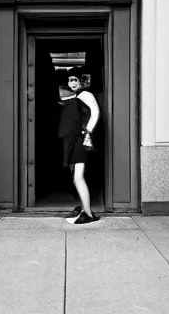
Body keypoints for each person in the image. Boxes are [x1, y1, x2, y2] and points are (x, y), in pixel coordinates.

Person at [58, 67, 100, 224]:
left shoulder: (85, 95)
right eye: (70, 80)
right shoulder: (76, 96)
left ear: (80, 81)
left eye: (75, 80)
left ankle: (88, 213)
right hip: (73, 141)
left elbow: (95, 112)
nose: (72, 82)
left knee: (78, 177)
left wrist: (88, 133)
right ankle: (84, 209)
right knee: (76, 176)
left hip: (80, 140)